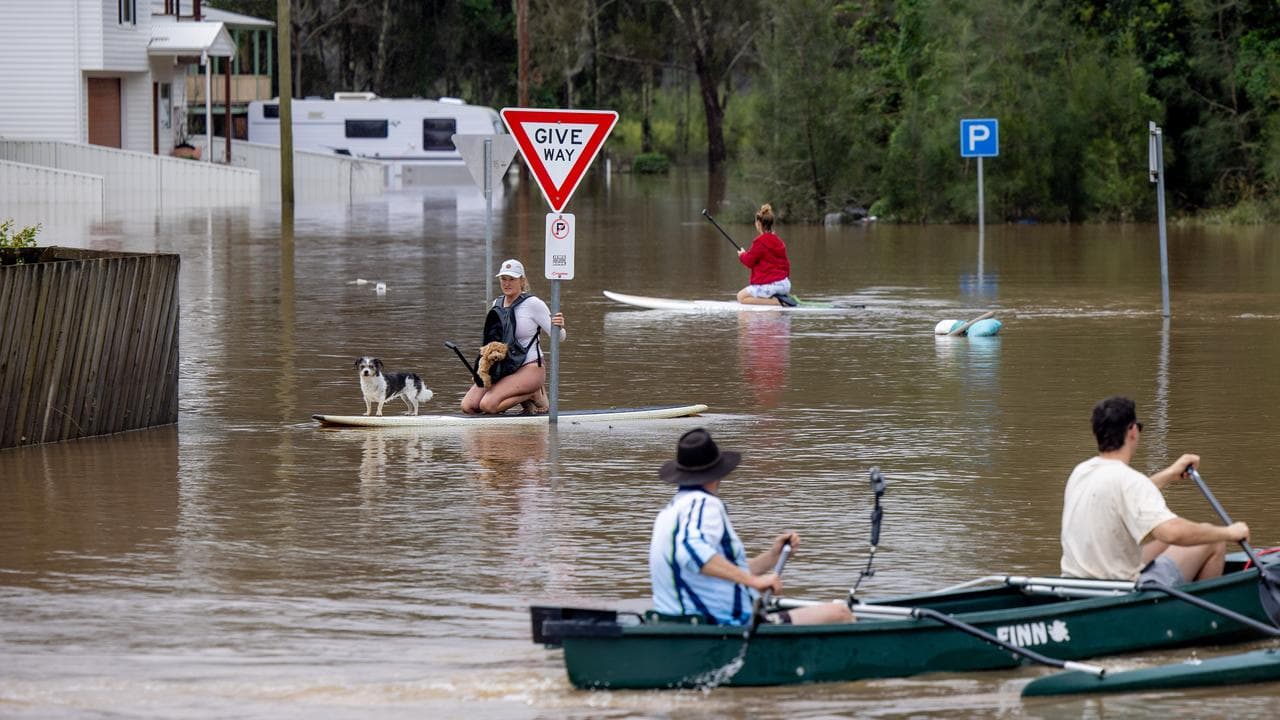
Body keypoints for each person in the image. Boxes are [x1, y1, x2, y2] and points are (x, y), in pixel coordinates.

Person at [649, 428, 854, 626]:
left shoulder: (670, 511)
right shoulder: (705, 504)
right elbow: (692, 552)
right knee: (841, 613)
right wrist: (753, 582)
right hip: (723, 624)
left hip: (684, 623)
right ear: (717, 473)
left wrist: (773, 556)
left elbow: (718, 567)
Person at [1060, 396, 1250, 585]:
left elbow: (1122, 495)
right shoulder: (1130, 481)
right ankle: (1198, 613)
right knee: (1211, 539)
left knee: (1165, 538)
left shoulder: (1081, 471)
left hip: (1076, 585)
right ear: (1133, 431)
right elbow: (1172, 532)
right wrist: (1230, 532)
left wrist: (1169, 474)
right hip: (1120, 588)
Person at [460, 259, 566, 415]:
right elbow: (491, 341)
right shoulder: (497, 303)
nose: (507, 283)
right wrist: (480, 370)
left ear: (522, 281)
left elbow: (560, 338)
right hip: (504, 368)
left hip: (530, 367)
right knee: (468, 406)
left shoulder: (533, 304)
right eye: (503, 279)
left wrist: (559, 326)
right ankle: (519, 398)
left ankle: (533, 393)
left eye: (512, 279)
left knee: (487, 405)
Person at [736, 203, 795, 306]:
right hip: (785, 285)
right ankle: (777, 299)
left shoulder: (760, 242)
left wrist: (742, 255)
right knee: (758, 291)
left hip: (772, 285)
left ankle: (775, 302)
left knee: (741, 297)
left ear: (759, 223)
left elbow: (749, 261)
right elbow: (786, 265)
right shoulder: (779, 241)